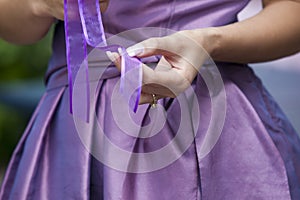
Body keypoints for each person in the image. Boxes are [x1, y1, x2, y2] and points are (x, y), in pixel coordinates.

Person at [0, 0, 300, 199]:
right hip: (76, 130)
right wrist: (39, 4)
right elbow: (13, 23)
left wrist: (209, 42)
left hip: (214, 123)